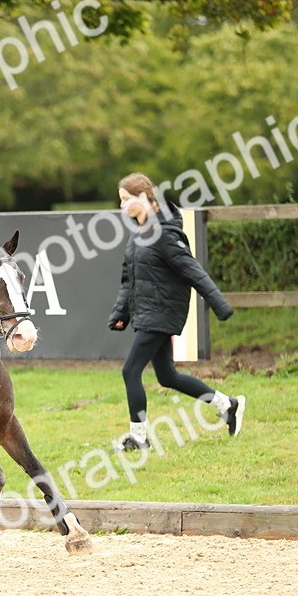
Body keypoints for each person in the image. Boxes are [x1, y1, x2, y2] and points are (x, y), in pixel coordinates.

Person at [108, 172, 245, 450]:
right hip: (146, 313)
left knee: (130, 371)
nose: (122, 206)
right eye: (120, 200)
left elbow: (192, 270)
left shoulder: (164, 234)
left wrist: (219, 304)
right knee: (167, 376)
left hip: (161, 312)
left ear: (144, 197)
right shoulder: (137, 235)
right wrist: (121, 313)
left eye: (126, 199)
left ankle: (138, 437)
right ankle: (228, 405)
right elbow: (128, 279)